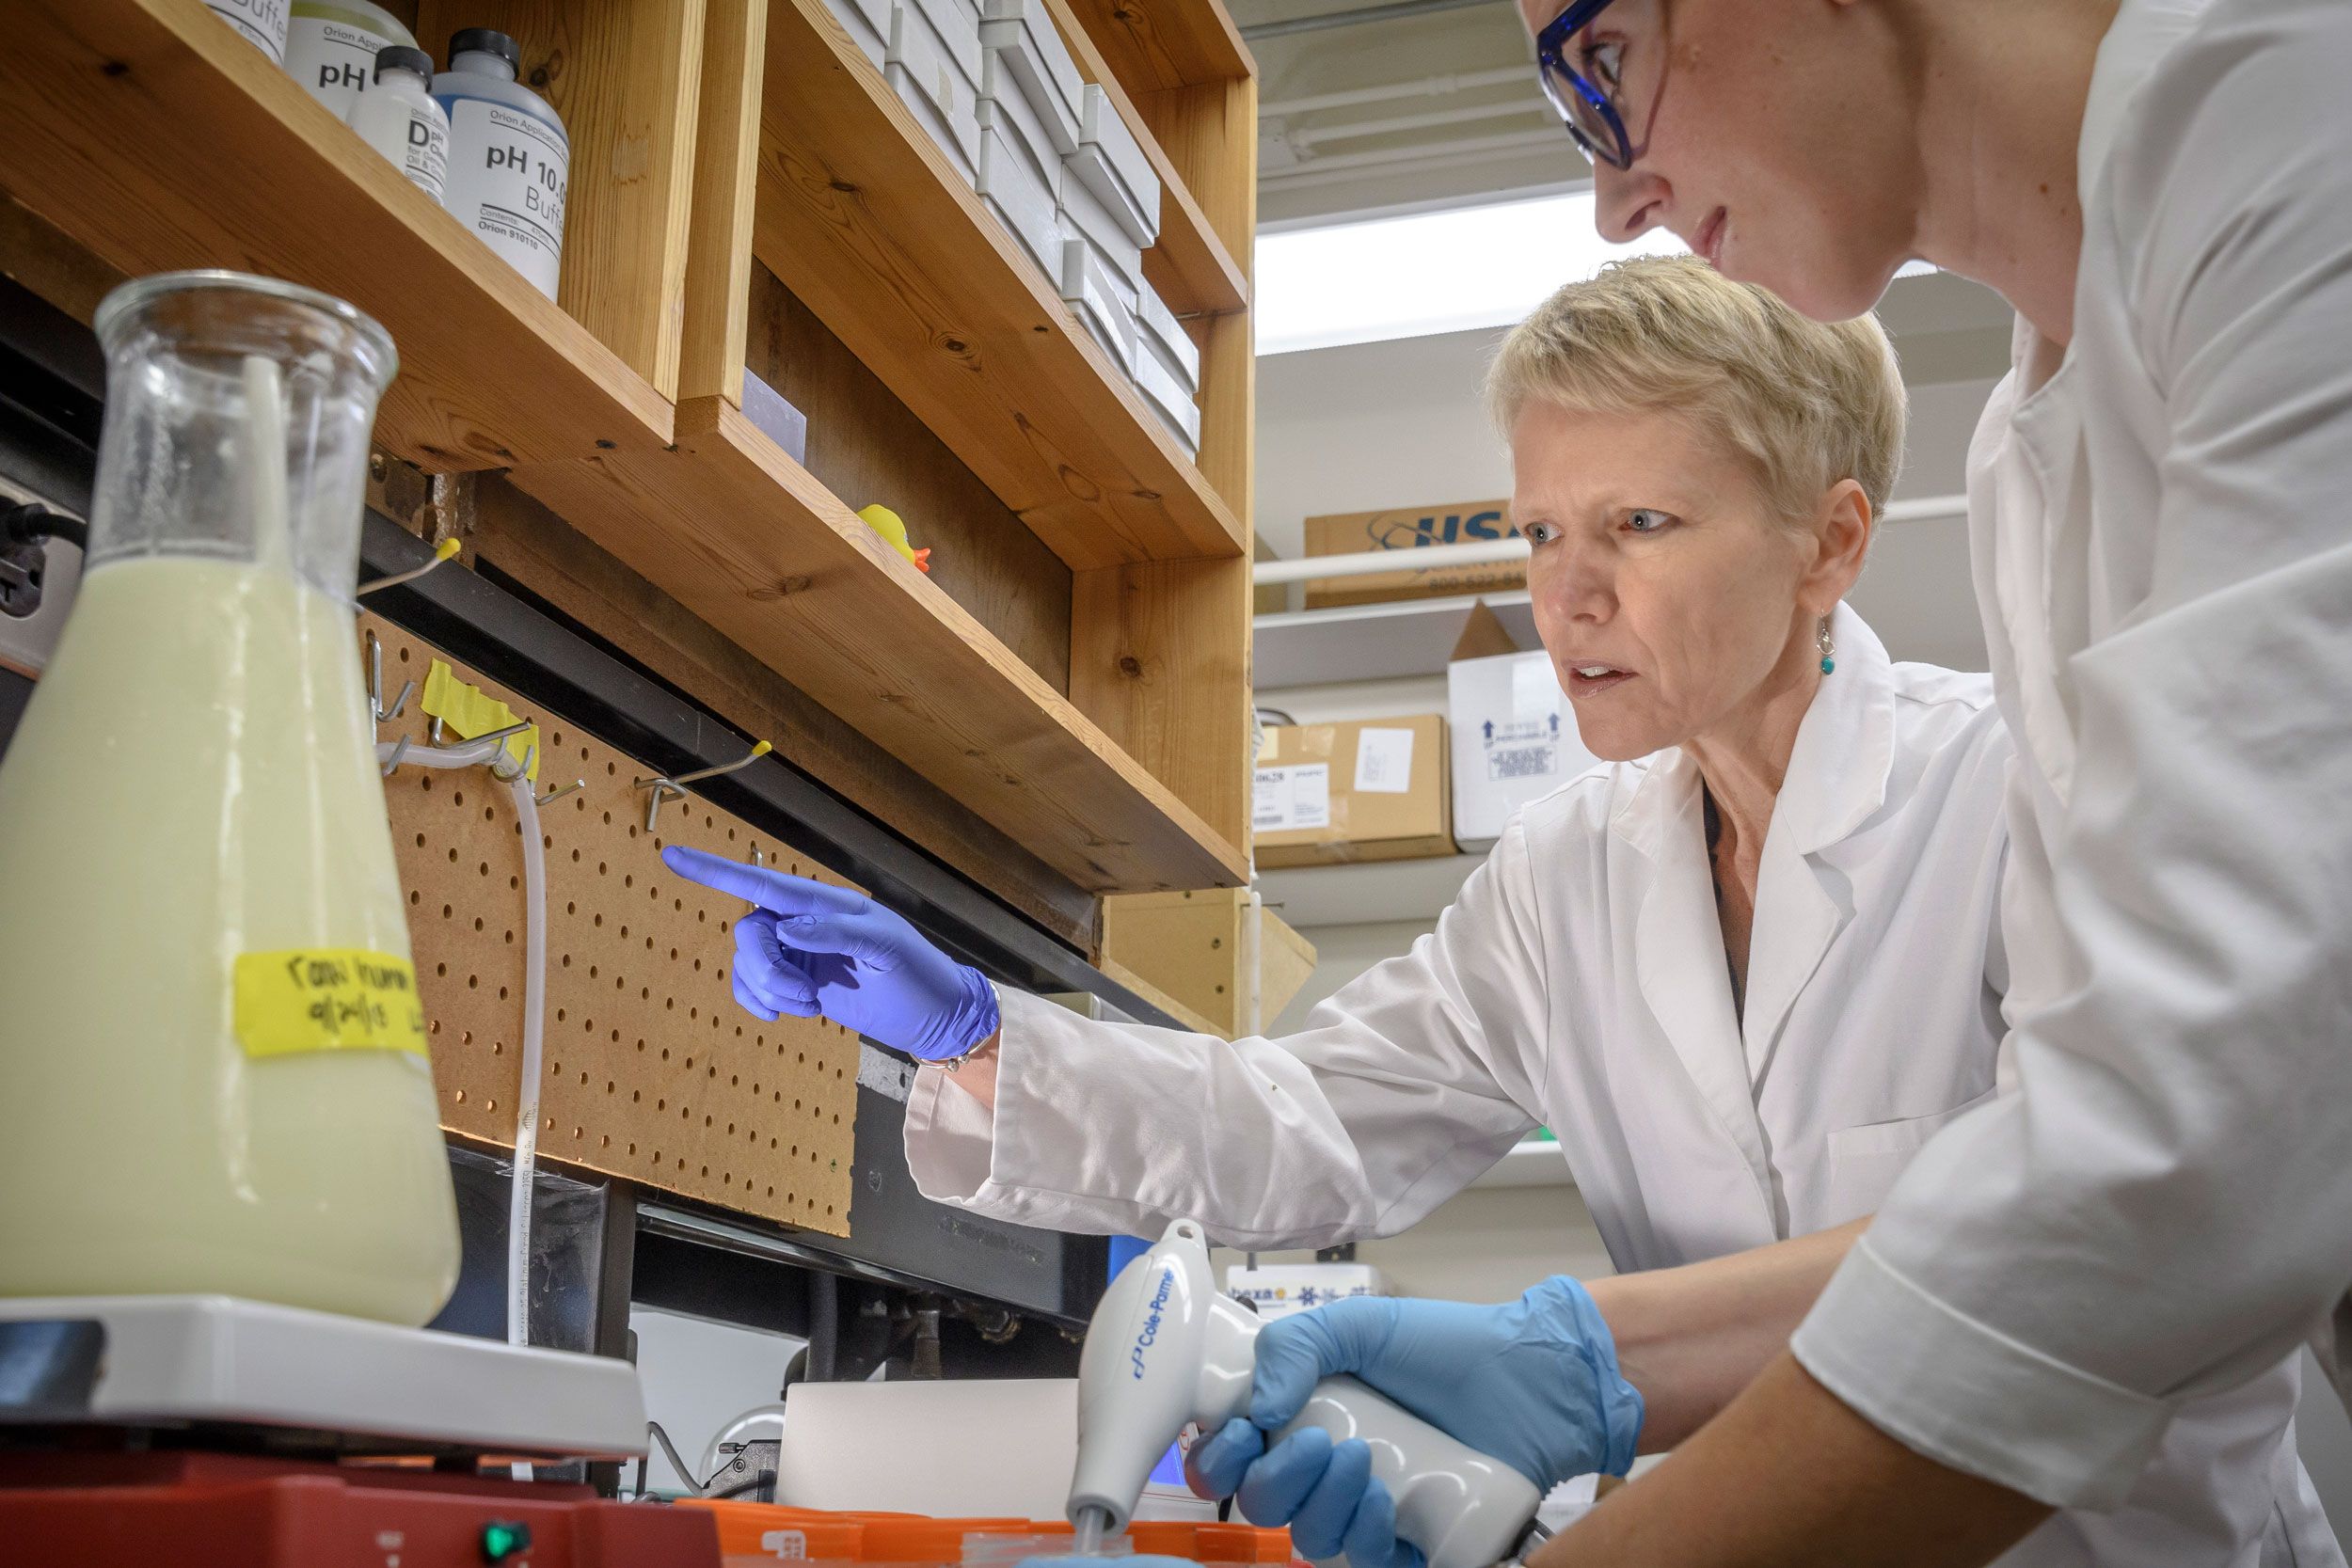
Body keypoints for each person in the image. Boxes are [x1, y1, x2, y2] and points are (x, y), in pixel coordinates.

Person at [660, 257, 2332, 1563]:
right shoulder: (1571, 874)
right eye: (1540, 529)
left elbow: (2099, 1232)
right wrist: (979, 1033)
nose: (1565, 594)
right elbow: (1311, 1124)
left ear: (1831, 544)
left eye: (1639, 524)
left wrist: (1573, 1364)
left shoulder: (2016, 795)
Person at [1470, 0, 2352, 1561]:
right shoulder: (2041, 437)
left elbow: (2188, 1149)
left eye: (1600, 62)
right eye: (1541, 534)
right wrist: (1577, 1369)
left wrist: (1596, 1405)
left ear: (1832, 544)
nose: (1617, 200)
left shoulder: (2297, 123)